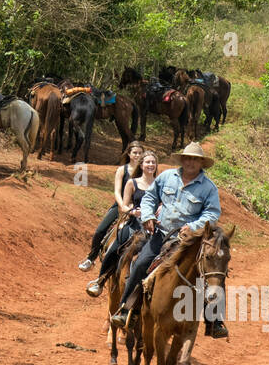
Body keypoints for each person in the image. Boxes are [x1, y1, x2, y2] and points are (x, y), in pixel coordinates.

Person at [110, 142, 225, 338]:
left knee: (213, 270)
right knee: (140, 264)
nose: (190, 162)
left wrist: (195, 226)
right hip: (161, 235)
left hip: (190, 242)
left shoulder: (208, 188)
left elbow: (212, 212)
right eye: (187, 158)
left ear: (201, 163)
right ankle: (126, 309)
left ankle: (214, 320)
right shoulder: (166, 177)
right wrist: (147, 216)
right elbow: (149, 199)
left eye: (195, 159)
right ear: (182, 160)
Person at [86, 151, 158, 297]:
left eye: (153, 162)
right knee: (115, 248)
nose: (151, 165)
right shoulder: (133, 182)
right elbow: (124, 206)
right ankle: (101, 280)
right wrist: (132, 211)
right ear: (142, 165)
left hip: (154, 225)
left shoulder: (160, 183)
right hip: (134, 223)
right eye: (148, 162)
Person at [80, 141, 145, 271]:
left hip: (140, 208)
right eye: (135, 153)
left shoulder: (145, 170)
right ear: (129, 154)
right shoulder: (122, 169)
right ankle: (91, 258)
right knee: (100, 230)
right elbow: (116, 191)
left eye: (140, 153)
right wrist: (123, 206)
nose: (137, 155)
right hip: (121, 205)